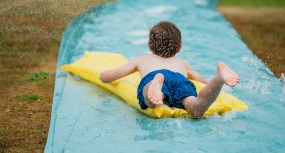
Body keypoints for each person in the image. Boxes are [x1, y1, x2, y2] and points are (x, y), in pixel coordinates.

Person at [100, 21, 240, 118]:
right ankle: (219, 78)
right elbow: (202, 81)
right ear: (179, 47)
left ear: (149, 45)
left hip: (154, 75)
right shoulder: (182, 63)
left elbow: (113, 76)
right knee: (195, 109)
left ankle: (156, 87)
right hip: (178, 78)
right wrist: (210, 83)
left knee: (151, 101)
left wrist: (103, 75)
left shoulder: (142, 59)